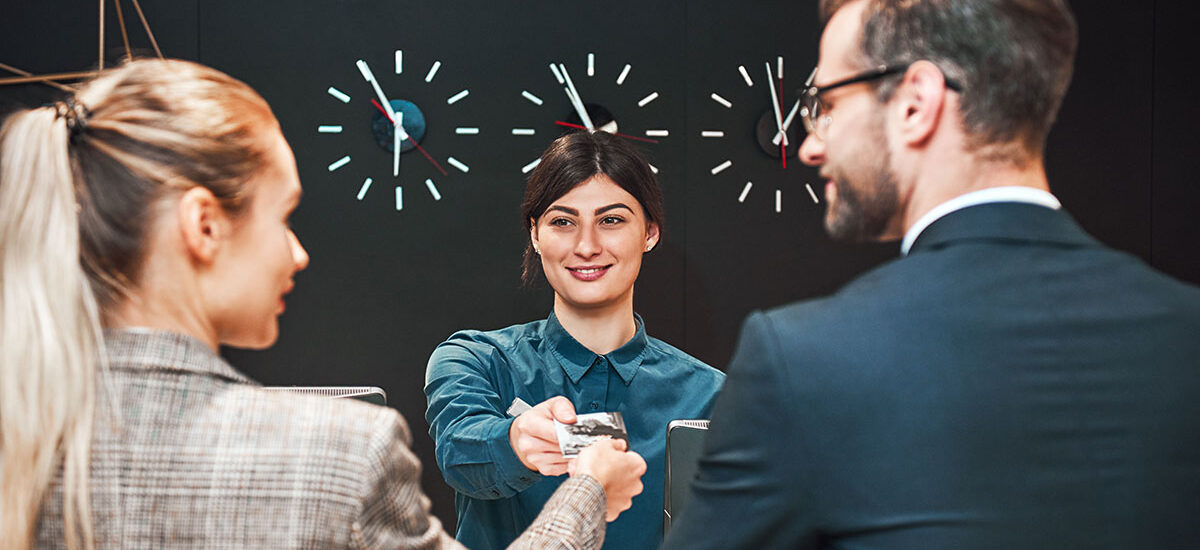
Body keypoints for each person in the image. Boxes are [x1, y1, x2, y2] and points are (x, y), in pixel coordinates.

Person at [0, 58, 646, 550]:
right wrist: (589, 488)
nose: (297, 253)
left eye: (612, 220)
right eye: (282, 217)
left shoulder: (22, 433)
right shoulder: (337, 452)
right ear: (203, 226)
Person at [662, 0, 1200, 548]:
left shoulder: (803, 360)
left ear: (916, 104)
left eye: (825, 103)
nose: (810, 145)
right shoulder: (1187, 334)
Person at [425, 131, 725, 550]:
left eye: (612, 220)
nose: (587, 246)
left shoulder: (714, 397)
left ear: (650, 233)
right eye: (563, 222)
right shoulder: (475, 360)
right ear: (535, 233)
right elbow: (460, 454)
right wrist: (518, 440)